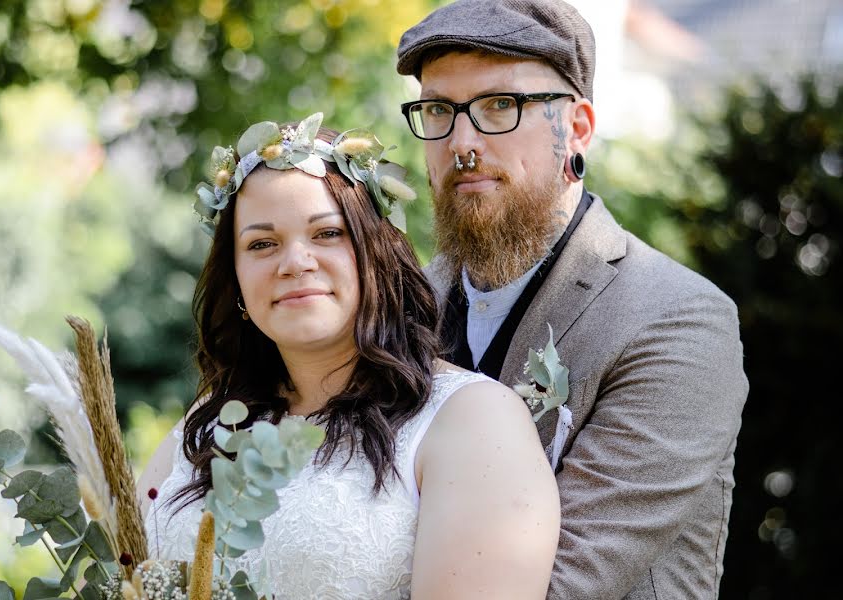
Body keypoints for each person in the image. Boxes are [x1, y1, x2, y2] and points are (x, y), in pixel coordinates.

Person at [396, 1, 749, 598]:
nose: (461, 143)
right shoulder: (400, 306)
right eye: (438, 110)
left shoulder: (679, 323)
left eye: (499, 106)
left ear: (578, 128)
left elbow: (567, 584)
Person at [137, 114, 560, 599]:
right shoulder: (208, 421)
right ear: (236, 282)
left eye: (327, 234)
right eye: (261, 243)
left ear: (376, 253)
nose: (295, 262)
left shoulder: (471, 421)